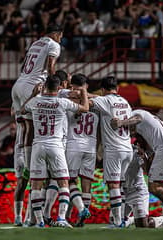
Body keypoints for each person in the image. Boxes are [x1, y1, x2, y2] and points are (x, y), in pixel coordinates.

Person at [10, 24, 63, 225]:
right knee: (35, 122)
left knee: (22, 121)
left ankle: (21, 155)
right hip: (33, 84)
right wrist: (54, 82)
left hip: (18, 84)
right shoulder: (54, 45)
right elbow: (50, 65)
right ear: (58, 34)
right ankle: (29, 159)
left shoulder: (35, 42)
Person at [21, 74, 89, 228]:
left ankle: (39, 221)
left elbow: (22, 110)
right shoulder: (62, 102)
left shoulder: (36, 101)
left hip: (38, 145)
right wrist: (83, 92)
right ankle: (61, 218)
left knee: (36, 185)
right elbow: (85, 108)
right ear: (59, 88)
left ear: (44, 86)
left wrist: (33, 94)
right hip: (56, 146)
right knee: (63, 182)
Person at [111, 109, 163, 229]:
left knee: (154, 187)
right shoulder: (150, 127)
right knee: (160, 188)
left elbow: (138, 118)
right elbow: (147, 166)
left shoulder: (136, 114)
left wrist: (122, 122)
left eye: (129, 128)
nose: (130, 132)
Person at [89, 76, 133, 228]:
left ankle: (117, 221)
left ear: (102, 89)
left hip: (114, 149)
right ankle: (121, 218)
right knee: (120, 186)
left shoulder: (104, 100)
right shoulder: (126, 102)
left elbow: (88, 101)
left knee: (113, 185)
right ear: (117, 89)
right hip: (127, 148)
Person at [64, 73, 98, 227]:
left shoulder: (68, 99)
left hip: (73, 145)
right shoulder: (97, 102)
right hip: (91, 147)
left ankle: (81, 209)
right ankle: (81, 217)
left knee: (69, 181)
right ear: (87, 86)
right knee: (86, 184)